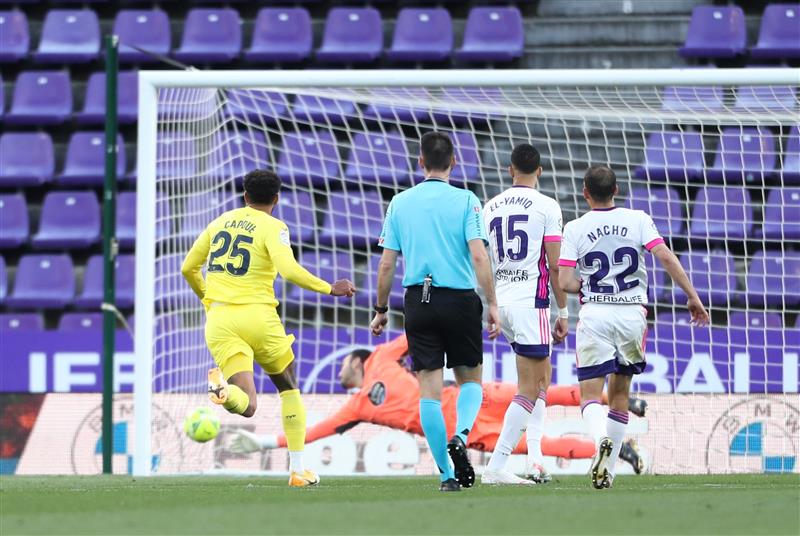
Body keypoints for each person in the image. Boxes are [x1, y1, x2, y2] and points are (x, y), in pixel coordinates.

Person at [229, 335, 647, 476]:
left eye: (343, 363)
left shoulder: (378, 357)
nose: (339, 370)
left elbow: (416, 333)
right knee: (536, 444)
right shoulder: (354, 408)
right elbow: (314, 431)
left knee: (537, 392)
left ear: (356, 361)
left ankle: (623, 400)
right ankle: (615, 450)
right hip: (460, 432)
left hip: (460, 400)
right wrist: (264, 443)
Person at [180, 169, 356, 487]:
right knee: (287, 387)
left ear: (244, 196)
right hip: (259, 317)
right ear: (276, 199)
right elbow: (288, 270)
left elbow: (188, 267)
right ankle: (298, 471)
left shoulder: (219, 221)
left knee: (246, 403)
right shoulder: (274, 226)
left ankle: (225, 391)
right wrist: (330, 288)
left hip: (220, 319)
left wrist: (208, 299)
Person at [558, 165, 709, 490]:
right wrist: (693, 297)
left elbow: (565, 281)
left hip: (596, 313)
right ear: (617, 190)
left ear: (585, 192)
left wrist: (589, 286)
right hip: (632, 315)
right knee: (620, 395)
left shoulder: (575, 228)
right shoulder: (638, 219)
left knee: (589, 397)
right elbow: (666, 258)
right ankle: (608, 472)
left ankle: (602, 442)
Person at [370, 131, 501, 492]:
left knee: (429, 389)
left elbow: (386, 265)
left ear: (420, 162)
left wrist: (380, 309)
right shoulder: (467, 200)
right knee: (470, 380)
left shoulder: (399, 202)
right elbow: (479, 254)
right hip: (459, 299)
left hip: (418, 301)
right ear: (454, 162)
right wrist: (492, 302)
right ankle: (460, 435)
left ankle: (446, 476)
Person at [481, 143, 570, 485]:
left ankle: (535, 459)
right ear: (541, 171)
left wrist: (490, 302)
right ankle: (497, 465)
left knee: (539, 379)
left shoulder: (491, 206)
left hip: (503, 303)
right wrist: (563, 310)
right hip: (532, 302)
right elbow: (554, 262)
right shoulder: (547, 205)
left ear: (509, 169)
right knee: (532, 387)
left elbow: (483, 257)